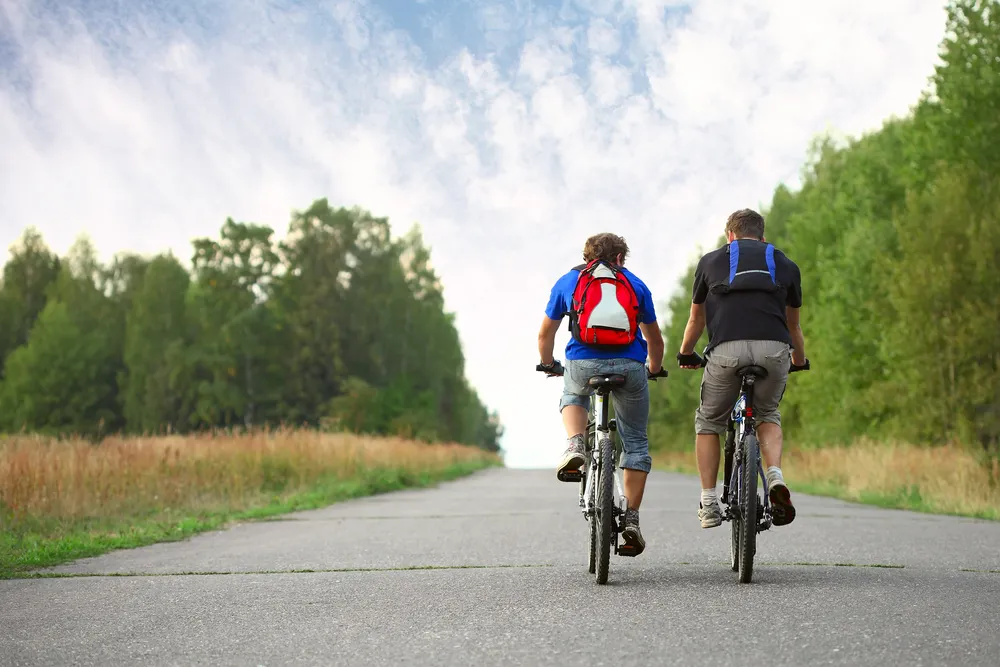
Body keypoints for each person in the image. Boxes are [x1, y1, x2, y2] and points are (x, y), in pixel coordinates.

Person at [676, 208, 807, 529]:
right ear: (762, 237)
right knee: (767, 414)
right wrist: (799, 361)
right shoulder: (785, 264)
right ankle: (775, 477)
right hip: (773, 349)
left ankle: (709, 503)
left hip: (726, 351)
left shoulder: (710, 261)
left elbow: (696, 319)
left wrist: (685, 353)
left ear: (730, 236)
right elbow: (793, 326)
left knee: (710, 422)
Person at [536, 232, 665, 556]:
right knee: (635, 442)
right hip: (629, 366)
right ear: (620, 258)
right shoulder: (636, 285)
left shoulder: (569, 281)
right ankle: (631, 519)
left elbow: (545, 334)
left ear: (587, 257)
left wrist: (548, 363)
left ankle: (575, 443)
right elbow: (655, 339)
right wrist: (653, 368)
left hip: (583, 363)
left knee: (573, 394)